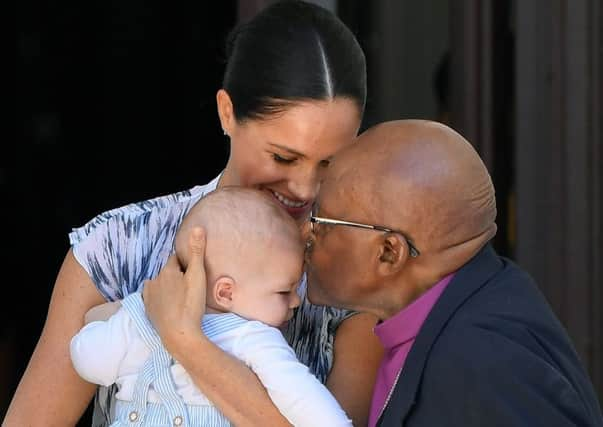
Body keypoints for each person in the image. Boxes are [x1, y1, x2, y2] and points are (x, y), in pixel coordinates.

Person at [5, 2, 383, 426]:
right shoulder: (118, 247)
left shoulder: (353, 278)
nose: (305, 189)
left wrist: (185, 340)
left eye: (329, 163)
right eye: (282, 157)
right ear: (227, 113)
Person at [303, 119, 603, 426]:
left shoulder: (481, 365)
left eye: (321, 222)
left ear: (389, 252)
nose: (307, 234)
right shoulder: (469, 305)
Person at [70, 187, 353, 427]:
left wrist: (123, 313)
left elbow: (90, 363)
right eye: (284, 291)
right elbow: (314, 410)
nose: (296, 300)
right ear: (225, 292)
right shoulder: (252, 338)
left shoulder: (144, 316)